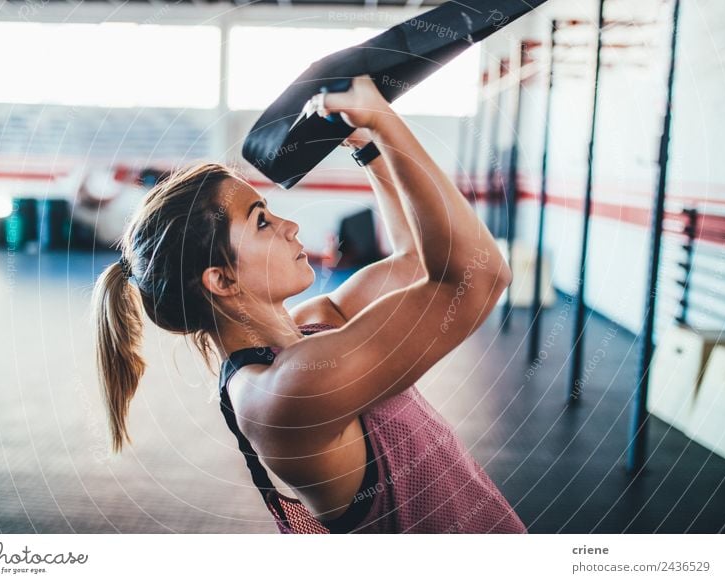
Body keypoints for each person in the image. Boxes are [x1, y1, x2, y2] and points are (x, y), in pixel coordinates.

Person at [92, 74, 526, 534]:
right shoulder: (284, 395)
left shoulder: (313, 328)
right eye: (261, 222)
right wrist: (386, 120)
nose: (290, 227)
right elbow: (480, 276)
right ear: (220, 279)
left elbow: (417, 263)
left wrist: (368, 146)